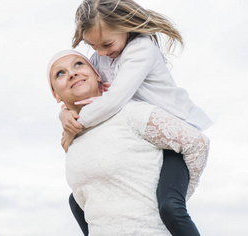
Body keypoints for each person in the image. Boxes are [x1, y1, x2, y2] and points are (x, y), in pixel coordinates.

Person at [59, 0, 213, 235]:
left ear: (125, 25)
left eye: (106, 44)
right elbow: (89, 97)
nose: (99, 53)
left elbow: (113, 101)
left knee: (169, 207)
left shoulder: (141, 50)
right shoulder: (103, 56)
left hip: (173, 140)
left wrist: (76, 127)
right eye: (92, 45)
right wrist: (65, 115)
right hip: (140, 143)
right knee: (76, 202)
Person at [48, 50, 209, 236]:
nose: (72, 73)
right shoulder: (72, 139)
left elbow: (197, 143)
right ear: (55, 94)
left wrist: (175, 200)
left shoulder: (131, 112)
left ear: (97, 75)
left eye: (78, 64)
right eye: (60, 73)